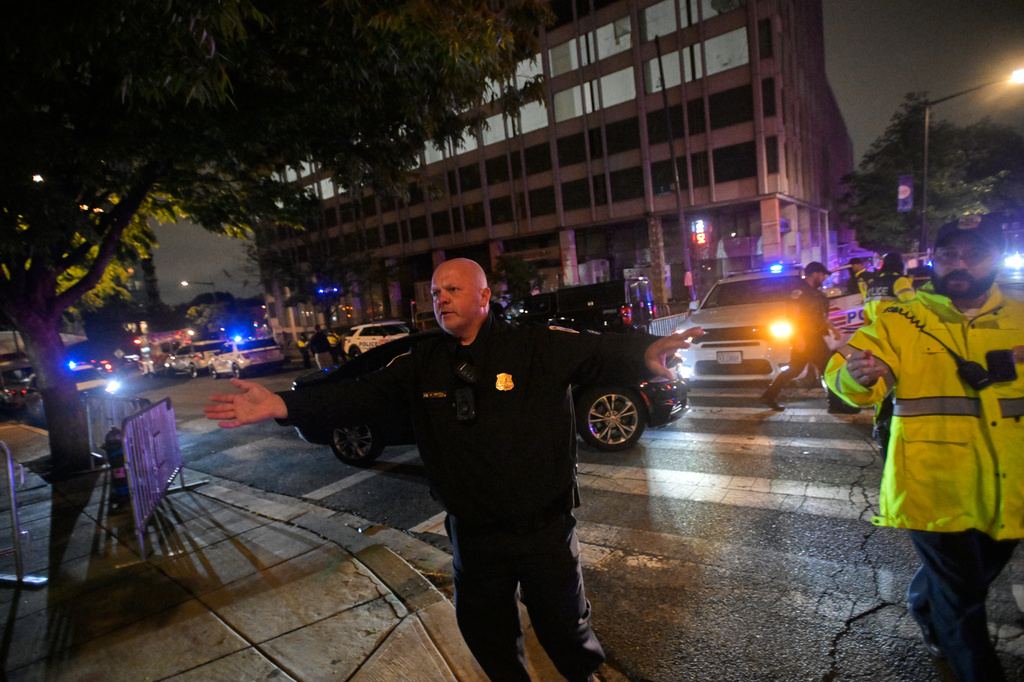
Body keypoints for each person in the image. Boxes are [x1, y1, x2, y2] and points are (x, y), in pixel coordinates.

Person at [205, 258, 702, 682]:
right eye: (436, 291)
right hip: (473, 534)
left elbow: (596, 349)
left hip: (542, 528)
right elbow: (359, 395)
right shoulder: (422, 363)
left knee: (563, 626)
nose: (440, 298)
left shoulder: (535, 347)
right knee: (484, 630)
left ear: (484, 296)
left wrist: (645, 350)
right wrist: (282, 405)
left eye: (453, 289)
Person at [824, 215, 1024, 682]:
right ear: (934, 260)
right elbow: (846, 373)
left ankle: (921, 601)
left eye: (974, 254)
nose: (960, 264)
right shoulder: (901, 319)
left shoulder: (1019, 317)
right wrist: (856, 376)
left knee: (975, 576)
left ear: (994, 258)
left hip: (1008, 487)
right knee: (964, 598)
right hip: (933, 483)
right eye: (949, 255)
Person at [758, 261, 845, 412]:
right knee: (828, 368)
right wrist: (797, 339)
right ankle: (835, 404)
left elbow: (820, 316)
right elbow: (791, 316)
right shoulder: (799, 292)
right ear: (815, 274)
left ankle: (769, 395)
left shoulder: (816, 294)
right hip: (807, 337)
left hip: (813, 336)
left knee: (795, 370)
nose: (824, 278)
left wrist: (833, 329)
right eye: (822, 275)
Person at [860, 252, 917, 456]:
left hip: (877, 340)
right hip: (897, 339)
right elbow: (913, 307)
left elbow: (866, 314)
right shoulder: (900, 281)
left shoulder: (873, 283)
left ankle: (879, 428)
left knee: (883, 386)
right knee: (900, 386)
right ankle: (893, 428)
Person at [862, 252, 915, 325]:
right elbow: (914, 305)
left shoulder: (871, 285)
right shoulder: (899, 281)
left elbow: (866, 313)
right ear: (900, 265)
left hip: (876, 330)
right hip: (895, 329)